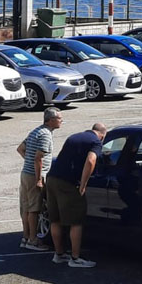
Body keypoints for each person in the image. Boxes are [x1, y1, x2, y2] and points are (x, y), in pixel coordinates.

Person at [46, 122, 107, 268]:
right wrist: (84, 183)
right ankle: (75, 258)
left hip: (52, 178)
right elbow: (91, 160)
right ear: (102, 135)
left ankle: (59, 254)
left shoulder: (74, 137)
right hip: (68, 183)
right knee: (76, 221)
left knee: (55, 219)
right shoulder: (96, 142)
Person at [17, 107, 61, 251]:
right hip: (34, 175)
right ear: (51, 120)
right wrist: (39, 179)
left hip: (25, 174)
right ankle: (33, 240)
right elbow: (38, 158)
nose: (61, 121)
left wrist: (27, 161)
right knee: (34, 209)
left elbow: (20, 149)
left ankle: (25, 237)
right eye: (59, 118)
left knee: (26, 207)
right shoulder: (45, 135)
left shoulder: (36, 131)